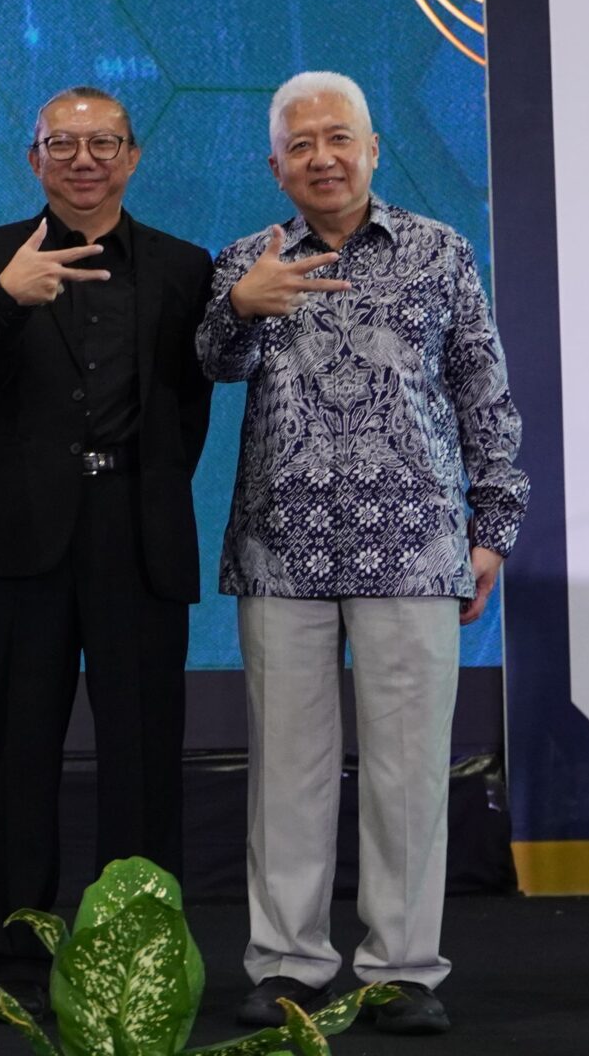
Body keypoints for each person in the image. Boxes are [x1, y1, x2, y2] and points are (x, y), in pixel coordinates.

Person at [199, 71, 524, 1038]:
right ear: (275, 167)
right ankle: (288, 962)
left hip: (415, 545)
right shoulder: (245, 260)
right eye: (300, 145)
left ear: (373, 148)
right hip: (281, 548)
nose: (322, 158)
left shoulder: (440, 251)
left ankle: (402, 970)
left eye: (338, 138)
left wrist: (493, 527)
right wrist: (241, 307)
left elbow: (483, 390)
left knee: (408, 772)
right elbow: (210, 362)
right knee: (286, 772)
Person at [0, 88, 214, 1015]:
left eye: (104, 143)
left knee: (143, 751)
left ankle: (136, 948)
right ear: (35, 158)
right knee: (21, 747)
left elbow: (188, 404)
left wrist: (142, 483)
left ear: (133, 157)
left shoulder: (184, 266)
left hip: (137, 529)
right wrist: (7, 300)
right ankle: (15, 948)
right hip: (25, 531)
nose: (85, 159)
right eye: (64, 144)